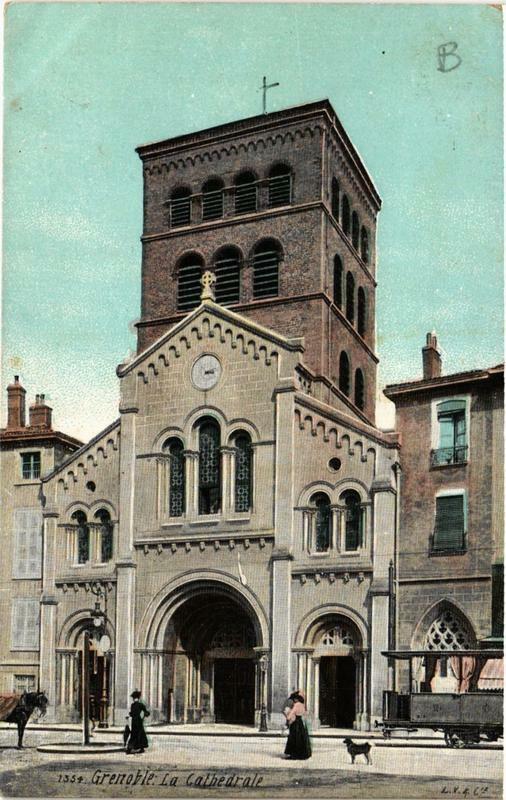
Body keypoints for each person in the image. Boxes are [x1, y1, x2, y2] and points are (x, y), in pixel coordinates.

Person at [283, 691, 312, 760]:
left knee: (294, 738)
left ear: (296, 699)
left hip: (295, 723)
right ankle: (301, 754)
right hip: (301, 722)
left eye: (294, 699)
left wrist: (287, 716)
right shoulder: (302, 705)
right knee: (301, 739)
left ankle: (294, 755)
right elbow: (304, 713)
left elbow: (291, 714)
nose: (293, 701)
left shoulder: (296, 705)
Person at [126, 690, 150, 754]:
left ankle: (131, 748)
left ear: (137, 698)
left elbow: (133, 713)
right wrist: (146, 714)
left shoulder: (136, 705)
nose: (134, 699)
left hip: (136, 721)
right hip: (137, 721)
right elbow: (146, 712)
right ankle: (135, 748)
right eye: (133, 698)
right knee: (138, 734)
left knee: (136, 734)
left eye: (134, 698)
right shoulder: (137, 705)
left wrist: (129, 715)